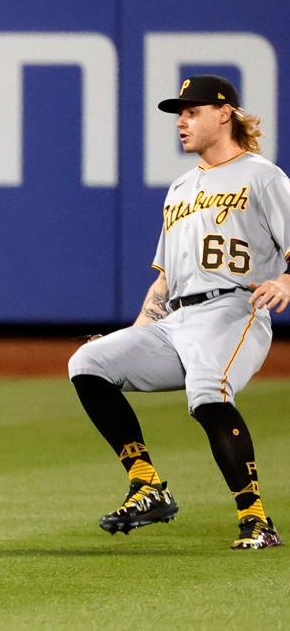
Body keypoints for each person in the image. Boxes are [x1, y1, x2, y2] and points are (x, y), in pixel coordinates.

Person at [68, 75, 290, 550]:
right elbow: (165, 280)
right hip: (176, 320)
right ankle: (148, 484)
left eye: (192, 111)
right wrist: (135, 334)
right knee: (89, 363)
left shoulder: (262, 175)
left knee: (208, 395)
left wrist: (285, 280)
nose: (181, 122)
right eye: (179, 114)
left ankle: (256, 521)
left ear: (224, 113)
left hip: (235, 309)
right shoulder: (181, 188)